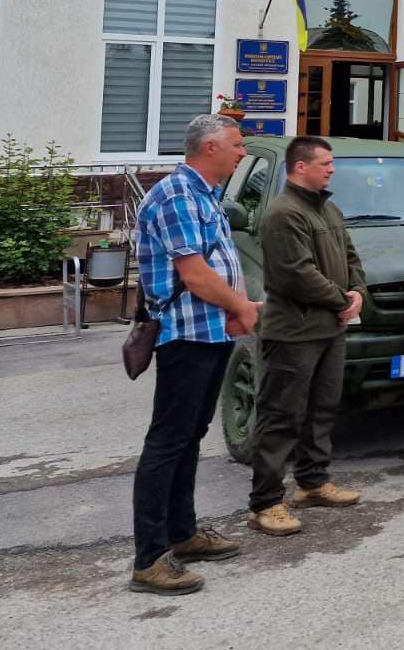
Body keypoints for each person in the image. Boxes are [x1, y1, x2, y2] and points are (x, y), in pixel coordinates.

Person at [130, 114, 260, 596]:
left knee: (190, 435)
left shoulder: (206, 194)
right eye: (236, 145)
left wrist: (237, 308)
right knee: (168, 440)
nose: (242, 153)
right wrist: (241, 307)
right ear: (209, 148)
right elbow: (196, 275)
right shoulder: (177, 195)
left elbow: (221, 263)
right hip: (185, 335)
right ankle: (149, 559)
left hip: (210, 330)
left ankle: (182, 534)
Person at [247, 136, 367, 537]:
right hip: (294, 332)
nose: (332, 169)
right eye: (325, 163)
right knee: (281, 416)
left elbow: (351, 256)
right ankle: (265, 503)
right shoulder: (284, 213)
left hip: (330, 328)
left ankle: (312, 483)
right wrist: (341, 299)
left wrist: (358, 292)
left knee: (322, 409)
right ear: (301, 167)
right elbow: (295, 274)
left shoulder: (328, 209)